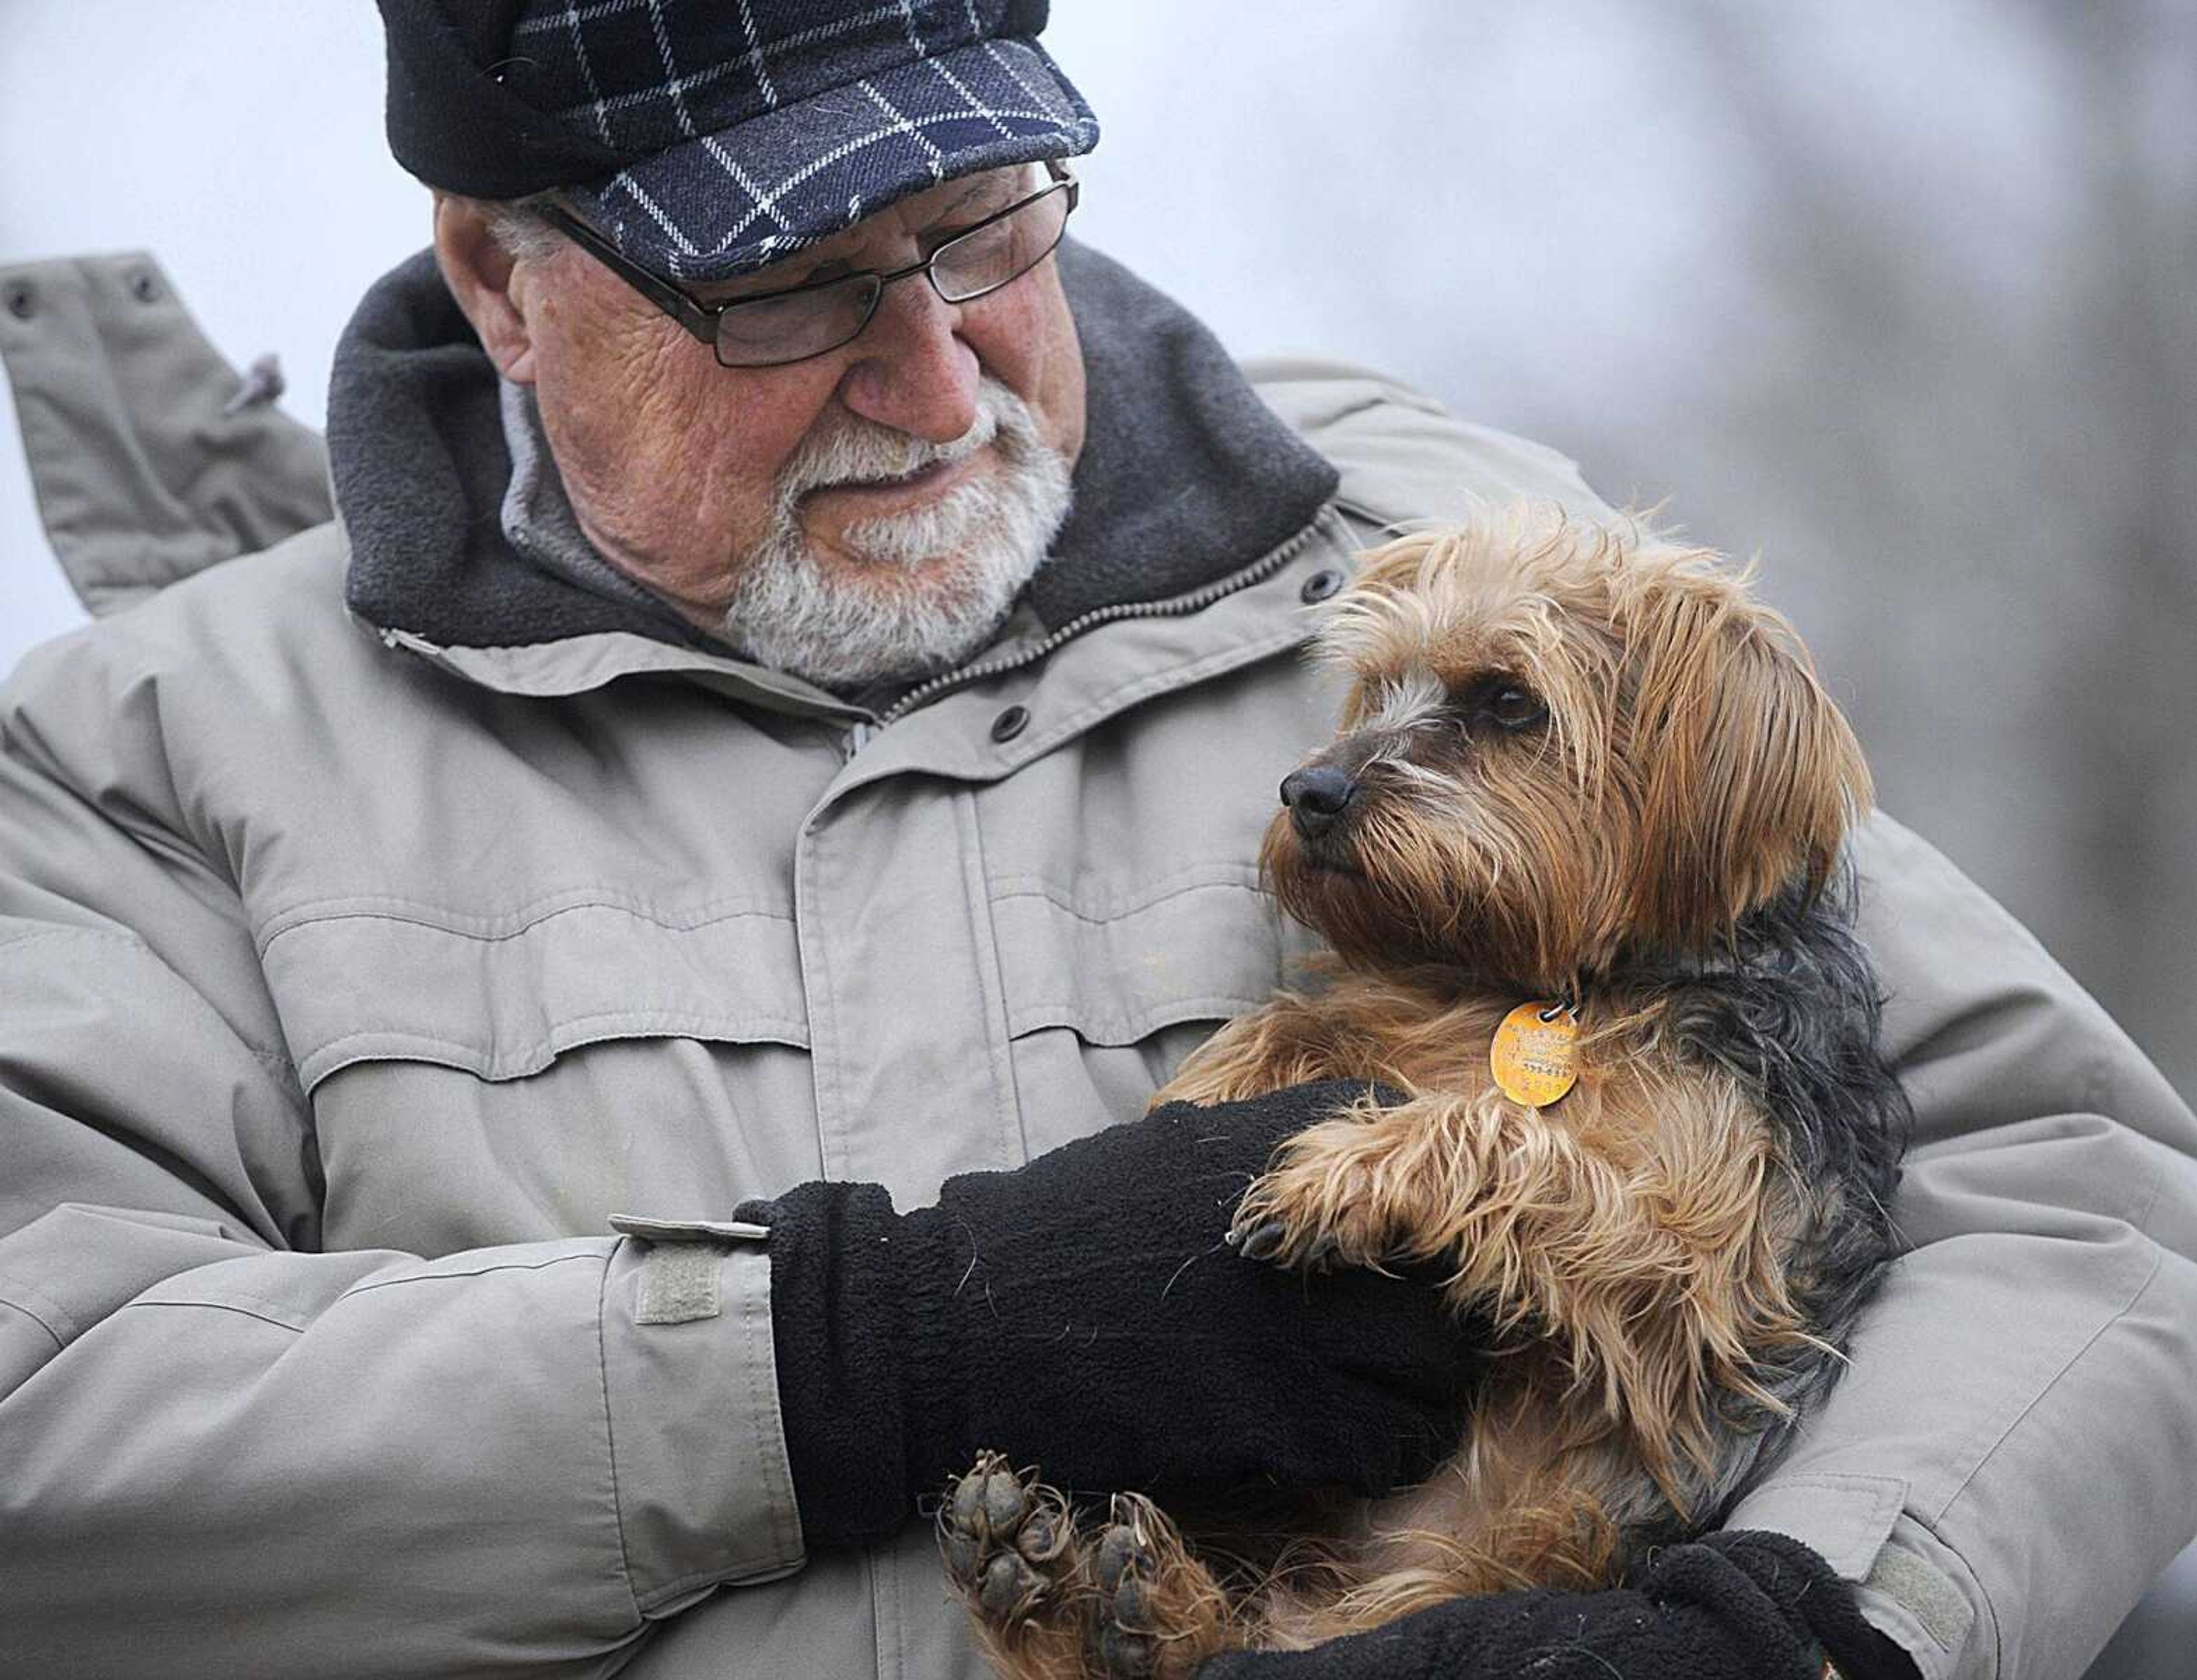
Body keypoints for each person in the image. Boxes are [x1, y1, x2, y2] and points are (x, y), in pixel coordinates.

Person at [0, 3, 2190, 1677]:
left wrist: (1801, 1624)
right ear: (503, 281)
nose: (938, 378)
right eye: (783, 287)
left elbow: (2089, 1206)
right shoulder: (150, 755)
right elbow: (52, 1443)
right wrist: (857, 1356)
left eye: (976, 225)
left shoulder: (1442, 550)